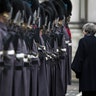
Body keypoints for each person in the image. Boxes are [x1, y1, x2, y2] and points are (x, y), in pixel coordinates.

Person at [71, 23, 96, 96]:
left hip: (86, 73)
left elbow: (79, 58)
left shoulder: (83, 41)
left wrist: (77, 72)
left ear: (85, 31)